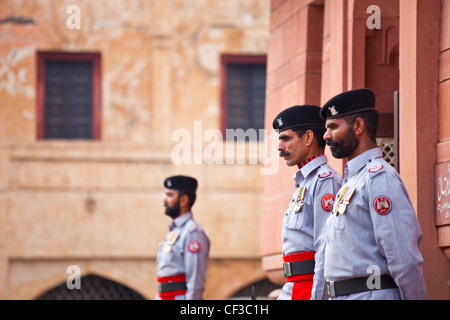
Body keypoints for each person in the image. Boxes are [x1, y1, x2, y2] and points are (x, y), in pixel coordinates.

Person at [320, 88, 427, 300]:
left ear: (358, 126)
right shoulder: (352, 180)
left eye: (333, 126)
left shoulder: (379, 178)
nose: (326, 135)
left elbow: (403, 259)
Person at [272, 105, 342, 300]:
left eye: (286, 138)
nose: (280, 147)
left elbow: (325, 251)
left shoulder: (324, 180)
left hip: (309, 289)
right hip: (293, 287)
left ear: (309, 137)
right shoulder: (305, 181)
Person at [156, 175, 210, 300]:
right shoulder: (175, 231)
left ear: (183, 200)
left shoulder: (192, 233)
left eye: (169, 195)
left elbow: (195, 283)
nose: (164, 200)